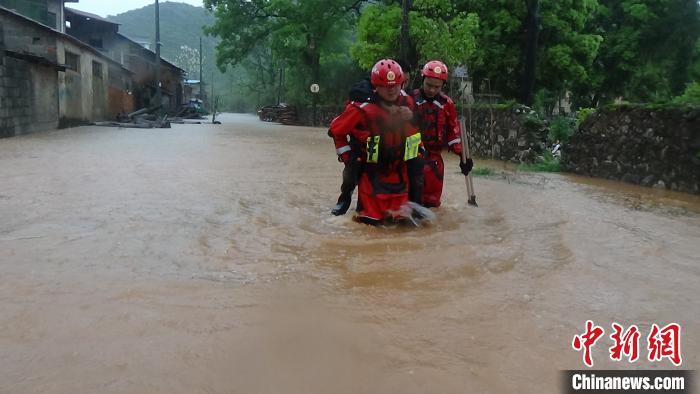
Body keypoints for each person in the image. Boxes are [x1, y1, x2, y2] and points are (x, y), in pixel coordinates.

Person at [328, 59, 423, 225]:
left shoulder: (407, 102)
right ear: (376, 86)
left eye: (396, 85)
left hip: (399, 170)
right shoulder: (362, 107)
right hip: (370, 167)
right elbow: (336, 131)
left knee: (404, 224)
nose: (392, 90)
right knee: (369, 222)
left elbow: (416, 130)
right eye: (387, 86)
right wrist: (346, 156)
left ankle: (417, 208)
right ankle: (344, 200)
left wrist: (418, 148)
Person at [411, 60, 473, 207]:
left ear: (443, 86)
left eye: (436, 87)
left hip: (434, 158)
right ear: (422, 80)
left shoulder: (447, 104)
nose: (432, 90)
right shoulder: (410, 99)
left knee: (432, 203)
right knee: (412, 201)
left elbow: (453, 132)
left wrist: (462, 156)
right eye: (429, 85)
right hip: (413, 155)